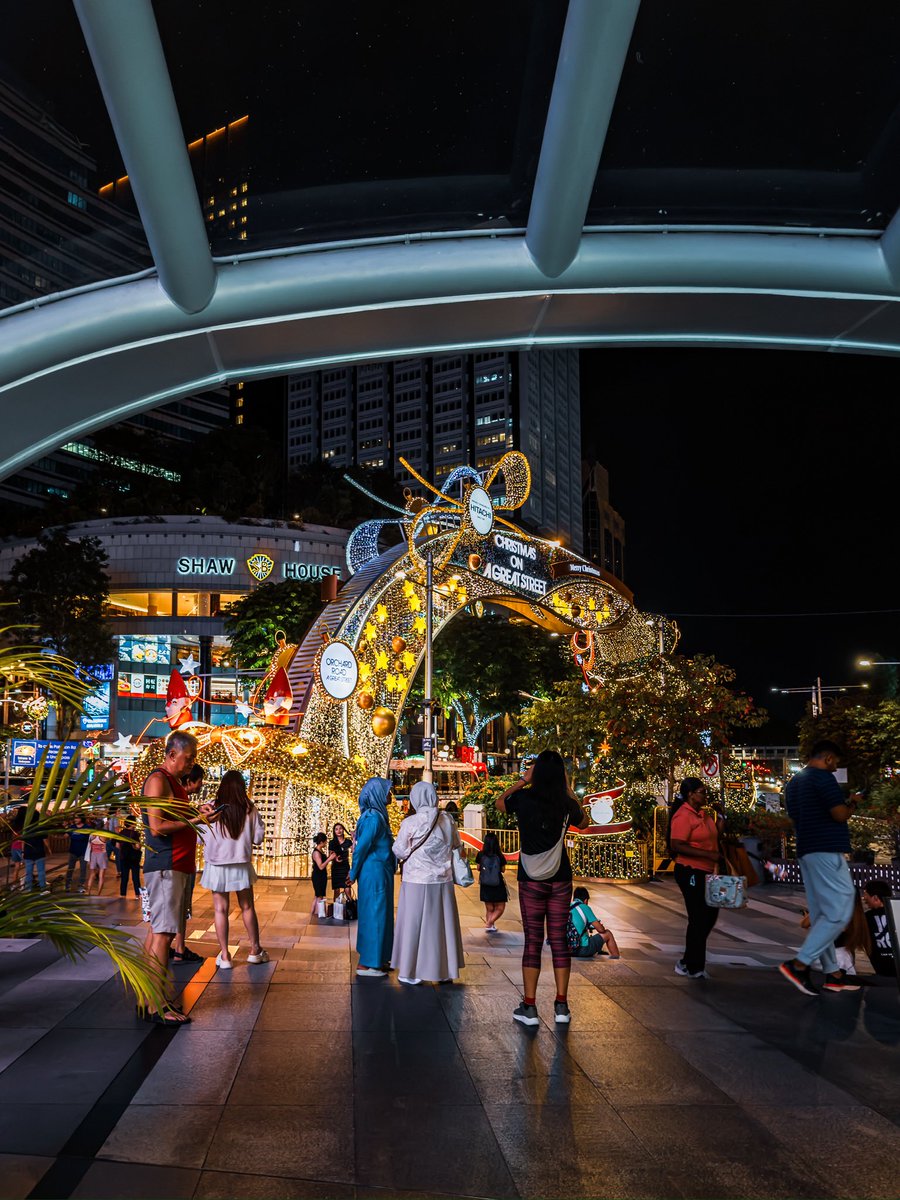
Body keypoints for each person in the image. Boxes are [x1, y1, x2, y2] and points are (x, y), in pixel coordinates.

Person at [497, 749, 588, 1026]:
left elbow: (500, 803)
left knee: (533, 941)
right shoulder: (565, 803)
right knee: (559, 940)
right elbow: (584, 822)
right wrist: (569, 789)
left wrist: (523, 781)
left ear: (537, 773)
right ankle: (561, 1006)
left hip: (531, 879)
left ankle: (530, 1006)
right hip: (560, 877)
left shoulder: (524, 798)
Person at [779, 740, 861, 995]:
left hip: (806, 850)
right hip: (826, 850)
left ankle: (832, 974)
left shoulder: (793, 784)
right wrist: (853, 803)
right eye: (835, 762)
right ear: (827, 758)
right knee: (840, 909)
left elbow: (795, 816)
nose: (836, 767)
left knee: (821, 914)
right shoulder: (824, 779)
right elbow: (839, 815)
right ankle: (799, 964)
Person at [140, 730, 202, 1025]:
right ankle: (157, 1005)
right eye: (188, 759)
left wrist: (196, 815)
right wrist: (196, 820)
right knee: (163, 934)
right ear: (172, 754)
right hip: (166, 865)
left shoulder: (172, 783)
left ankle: (148, 999)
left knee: (157, 932)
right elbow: (156, 826)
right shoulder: (158, 780)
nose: (192, 764)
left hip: (173, 866)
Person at [391, 780, 464, 985]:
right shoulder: (447, 820)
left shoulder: (410, 823)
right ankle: (443, 970)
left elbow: (398, 850)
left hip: (416, 879)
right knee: (441, 925)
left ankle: (410, 970)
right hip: (442, 879)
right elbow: (456, 845)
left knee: (413, 925)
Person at [198, 770, 268, 969]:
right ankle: (255, 950)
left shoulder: (211, 807)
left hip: (216, 864)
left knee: (221, 909)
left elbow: (199, 836)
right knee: (247, 907)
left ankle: (226, 956)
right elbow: (258, 838)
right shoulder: (249, 808)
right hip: (240, 863)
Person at [668, 777, 722, 980]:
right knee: (698, 917)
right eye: (702, 791)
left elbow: (715, 836)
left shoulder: (703, 815)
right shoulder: (683, 815)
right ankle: (693, 965)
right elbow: (677, 845)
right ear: (691, 794)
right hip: (690, 870)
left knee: (709, 915)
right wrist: (708, 855)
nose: (705, 795)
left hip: (708, 871)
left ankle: (689, 960)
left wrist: (721, 816)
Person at [349, 777, 396, 977]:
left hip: (379, 871)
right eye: (387, 791)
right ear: (377, 793)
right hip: (374, 872)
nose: (390, 794)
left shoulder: (375, 816)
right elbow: (361, 848)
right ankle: (369, 963)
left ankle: (380, 958)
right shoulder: (374, 818)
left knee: (380, 913)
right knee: (375, 914)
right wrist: (352, 873)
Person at [170, 764, 205, 964]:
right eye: (200, 780)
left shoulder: (183, 801)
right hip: (178, 862)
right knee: (178, 908)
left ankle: (174, 947)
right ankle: (178, 949)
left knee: (177, 909)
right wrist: (199, 819)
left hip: (182, 861)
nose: (202, 784)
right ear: (190, 781)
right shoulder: (178, 799)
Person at [569, 886, 621, 958]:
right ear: (586, 900)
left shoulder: (567, 907)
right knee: (608, 933)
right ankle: (617, 959)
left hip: (568, 950)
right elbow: (601, 930)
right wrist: (600, 925)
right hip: (582, 949)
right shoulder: (585, 907)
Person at [862, 879, 896, 976]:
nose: (864, 899)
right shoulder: (896, 911)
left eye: (866, 896)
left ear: (875, 898)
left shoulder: (867, 917)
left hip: (881, 967)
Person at [475, 830, 508, 932]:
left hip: (485, 884)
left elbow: (478, 868)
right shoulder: (499, 855)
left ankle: (491, 925)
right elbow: (503, 870)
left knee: (489, 908)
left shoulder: (481, 854)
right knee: (500, 907)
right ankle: (489, 924)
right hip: (498, 884)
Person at [117, 811, 143, 898]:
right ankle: (137, 895)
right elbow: (138, 846)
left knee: (124, 877)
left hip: (123, 857)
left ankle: (123, 894)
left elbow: (117, 845)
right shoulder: (135, 834)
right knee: (135, 877)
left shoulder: (121, 832)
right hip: (133, 858)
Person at [310, 832, 335, 914]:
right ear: (321, 842)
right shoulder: (316, 852)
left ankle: (313, 913)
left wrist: (328, 857)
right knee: (319, 896)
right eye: (325, 842)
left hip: (321, 876)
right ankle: (318, 913)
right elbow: (320, 866)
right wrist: (330, 859)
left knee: (317, 895)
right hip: (318, 876)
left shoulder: (320, 850)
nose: (326, 843)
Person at [65, 814, 90, 892]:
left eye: (77, 818)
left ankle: (81, 886)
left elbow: (85, 838)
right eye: (74, 818)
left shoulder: (87, 828)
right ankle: (67, 885)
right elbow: (65, 835)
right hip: (73, 852)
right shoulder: (72, 827)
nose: (75, 819)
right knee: (70, 869)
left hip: (83, 852)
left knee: (83, 870)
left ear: (81, 818)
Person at [329, 822, 352, 898]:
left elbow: (354, 852)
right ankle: (336, 909)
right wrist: (335, 858)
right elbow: (330, 854)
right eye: (336, 829)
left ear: (343, 830)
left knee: (347, 889)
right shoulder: (332, 842)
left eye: (340, 828)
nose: (339, 831)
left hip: (345, 867)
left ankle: (350, 907)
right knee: (336, 891)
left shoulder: (348, 842)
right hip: (336, 868)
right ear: (334, 831)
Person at [85, 825, 109, 895]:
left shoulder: (92, 835)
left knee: (92, 874)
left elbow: (89, 845)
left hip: (93, 855)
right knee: (101, 876)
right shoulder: (104, 836)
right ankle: (98, 893)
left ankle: (88, 891)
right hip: (102, 855)